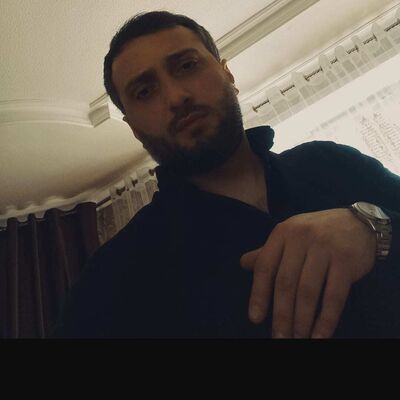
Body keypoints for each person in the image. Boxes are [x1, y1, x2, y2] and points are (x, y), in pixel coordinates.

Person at [53, 11, 400, 338]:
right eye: (145, 92)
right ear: (133, 128)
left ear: (228, 75)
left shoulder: (331, 162)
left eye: (187, 66)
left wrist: (376, 229)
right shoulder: (116, 275)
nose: (176, 96)